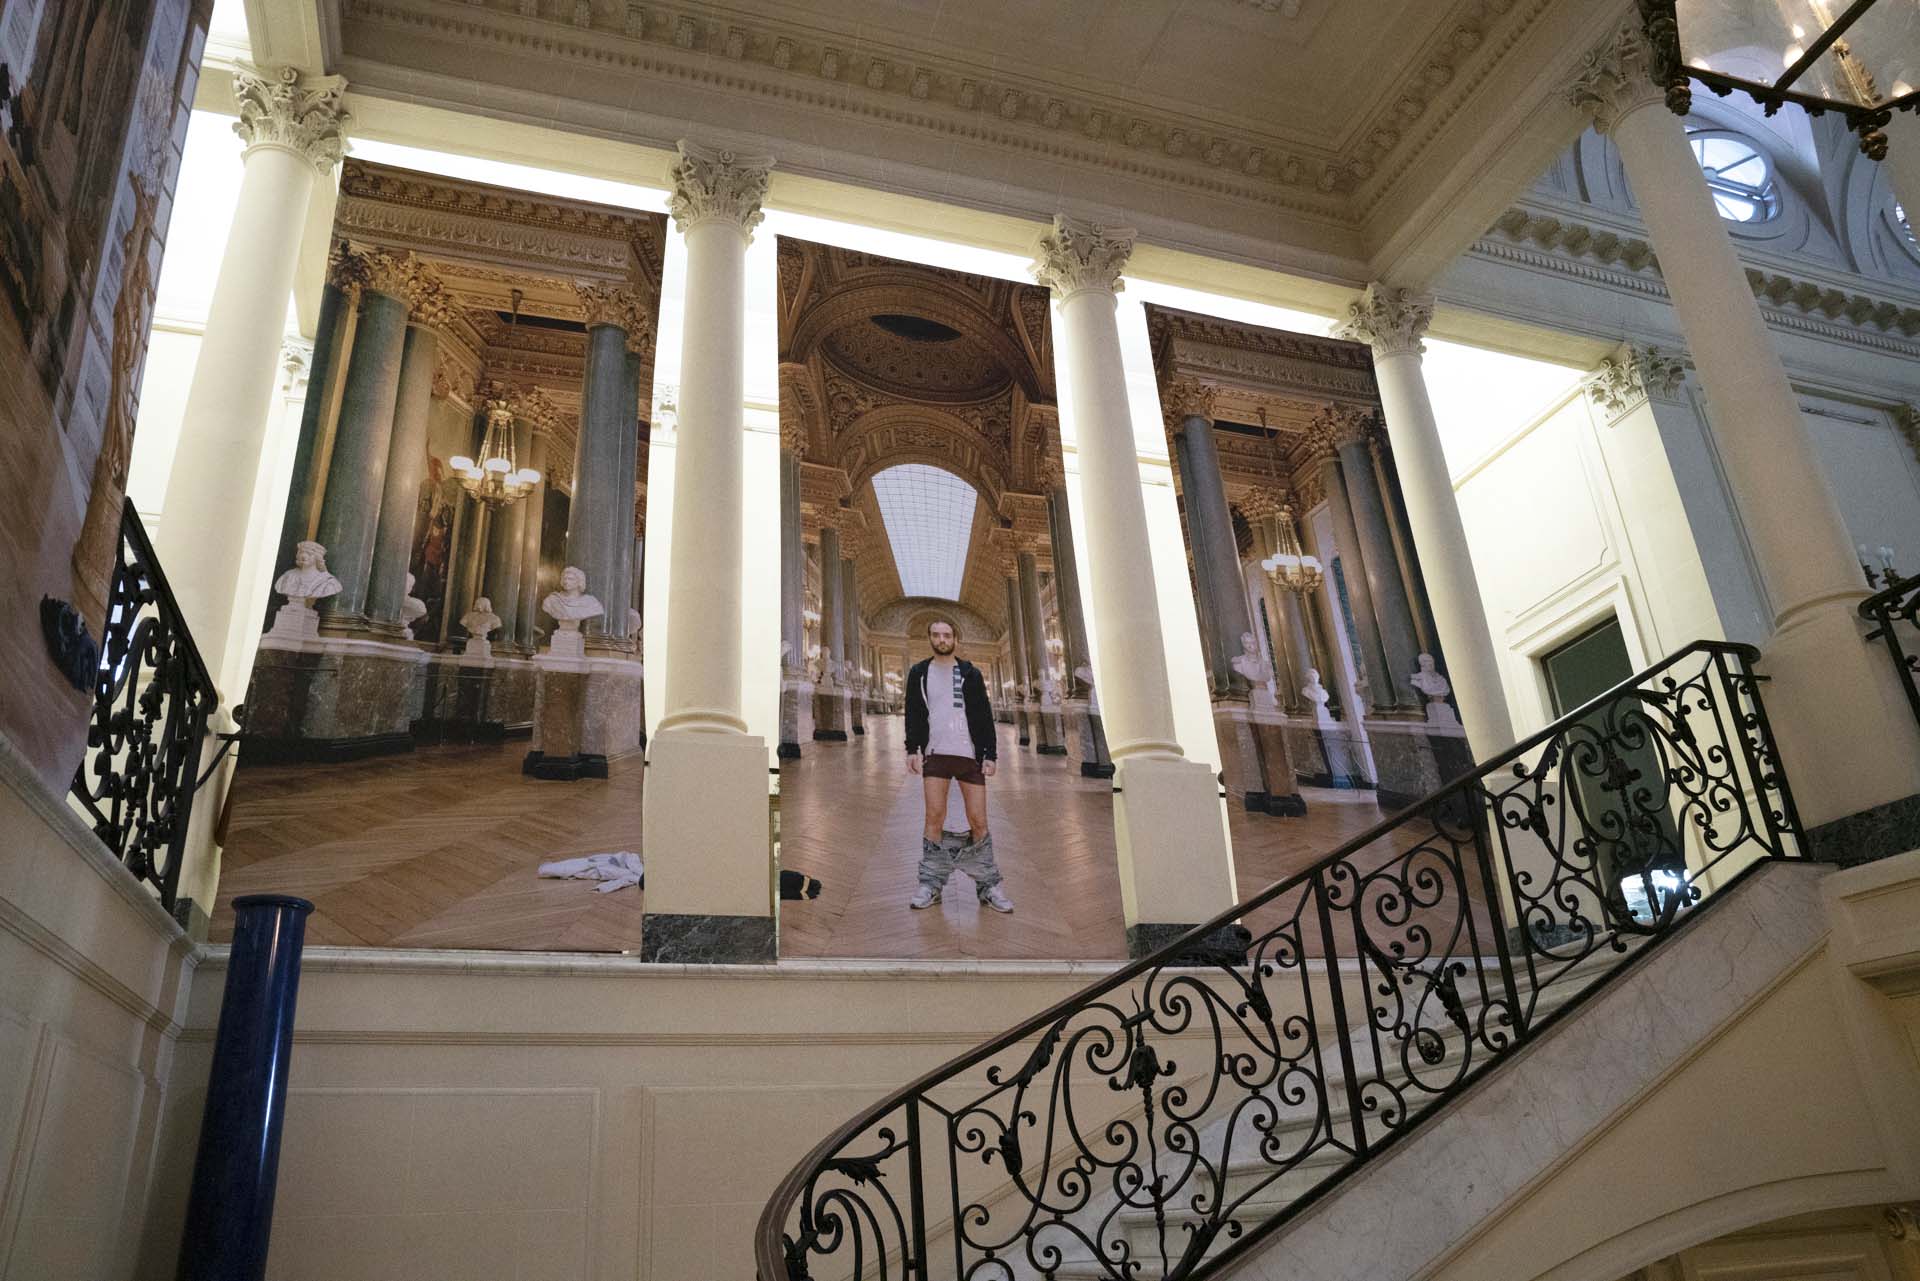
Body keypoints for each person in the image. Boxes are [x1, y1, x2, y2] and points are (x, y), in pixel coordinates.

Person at [904, 619, 1011, 913]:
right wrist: (912, 749)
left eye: (947, 635)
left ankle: (988, 886)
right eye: (936, 634)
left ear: (955, 639)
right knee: (934, 818)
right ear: (930, 638)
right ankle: (930, 884)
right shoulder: (919, 673)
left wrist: (990, 754)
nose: (942, 639)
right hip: (935, 753)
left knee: (979, 820)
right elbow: (913, 712)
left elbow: (984, 714)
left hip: (969, 755)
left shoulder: (970, 673)